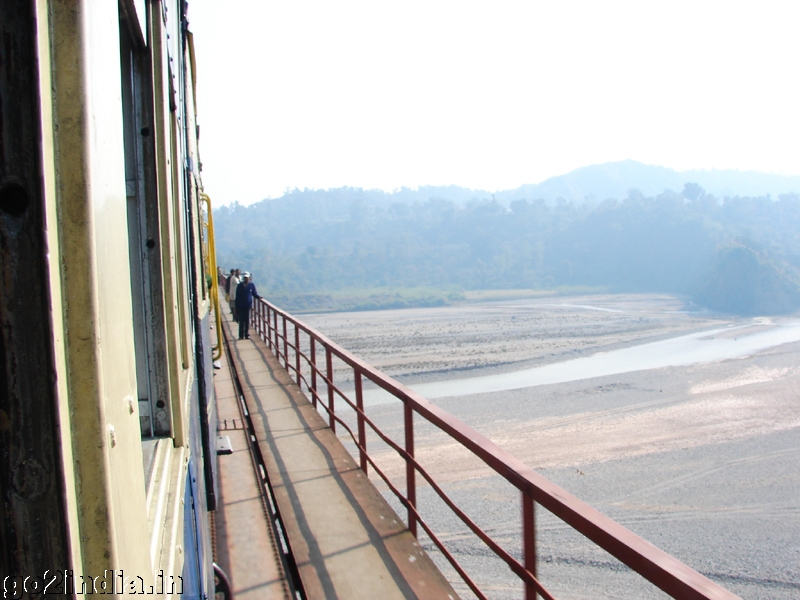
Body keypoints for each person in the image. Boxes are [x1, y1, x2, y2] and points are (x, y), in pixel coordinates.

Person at [235, 272, 259, 340]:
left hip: (247, 306)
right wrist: (236, 307)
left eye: (247, 278)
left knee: (247, 320)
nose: (246, 279)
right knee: (241, 321)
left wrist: (258, 297)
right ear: (243, 278)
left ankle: (246, 334)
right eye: (245, 278)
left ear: (249, 278)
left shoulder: (251, 285)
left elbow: (254, 293)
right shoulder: (239, 285)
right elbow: (237, 296)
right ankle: (240, 335)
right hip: (241, 305)